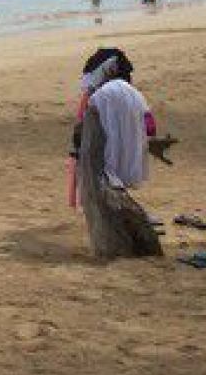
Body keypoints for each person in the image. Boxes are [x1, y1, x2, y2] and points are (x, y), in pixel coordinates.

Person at [68, 47, 162, 260]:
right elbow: (149, 125)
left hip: (101, 156)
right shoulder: (134, 93)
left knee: (105, 183)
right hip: (125, 150)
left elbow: (86, 126)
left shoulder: (101, 96)